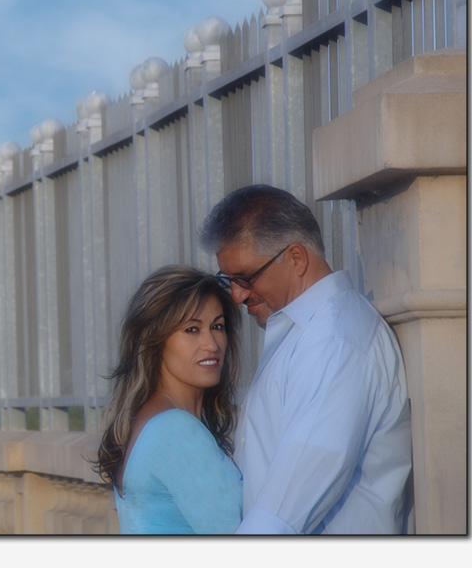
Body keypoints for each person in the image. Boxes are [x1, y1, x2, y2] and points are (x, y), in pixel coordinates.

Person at [199, 184, 412, 534]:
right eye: (229, 280)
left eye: (246, 278)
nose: (236, 295)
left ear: (296, 258)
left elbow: (284, 512)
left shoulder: (334, 340)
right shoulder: (309, 333)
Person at [95, 265, 243, 534]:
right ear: (155, 340)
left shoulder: (145, 419)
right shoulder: (175, 430)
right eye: (191, 329)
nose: (212, 343)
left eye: (217, 326)